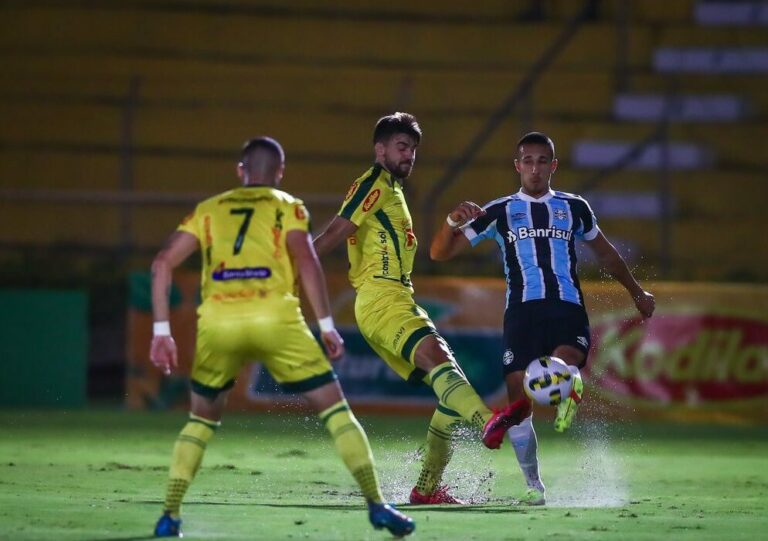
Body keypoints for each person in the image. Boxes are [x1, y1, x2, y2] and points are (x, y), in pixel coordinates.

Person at [148, 137, 414, 537]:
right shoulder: (288, 206)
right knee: (336, 411)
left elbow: (162, 262)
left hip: (220, 322)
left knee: (200, 422)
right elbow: (306, 259)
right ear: (280, 172)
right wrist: (325, 326)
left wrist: (161, 331)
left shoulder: (208, 210)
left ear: (240, 171)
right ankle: (377, 504)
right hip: (276, 319)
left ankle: (169, 515)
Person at [313, 112, 529, 505]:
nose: (409, 154)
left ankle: (426, 489)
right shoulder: (374, 183)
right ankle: (487, 421)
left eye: (412, 148)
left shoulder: (394, 191)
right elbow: (335, 232)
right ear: (380, 149)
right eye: (401, 146)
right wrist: (295, 265)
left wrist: (450, 220)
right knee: (436, 356)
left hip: (396, 297)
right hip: (381, 297)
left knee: (450, 385)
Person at [430, 131, 656, 505]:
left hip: (566, 306)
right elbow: (440, 253)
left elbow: (607, 255)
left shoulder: (574, 207)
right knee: (519, 403)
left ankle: (569, 380)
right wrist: (450, 221)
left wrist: (636, 292)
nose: (534, 169)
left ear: (554, 166)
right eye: (527, 161)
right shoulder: (498, 211)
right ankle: (534, 486)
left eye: (542, 161)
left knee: (561, 362)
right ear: (517, 166)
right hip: (521, 312)